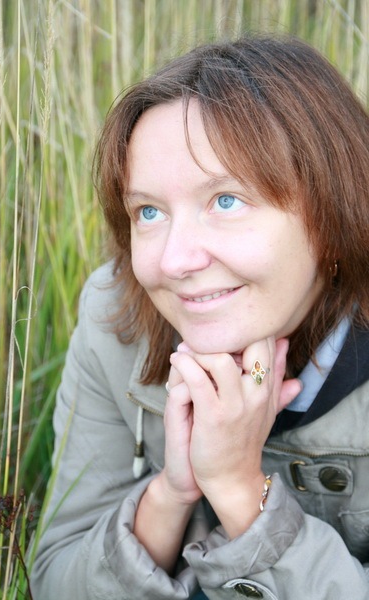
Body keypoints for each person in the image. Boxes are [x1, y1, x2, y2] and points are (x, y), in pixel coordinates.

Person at [31, 35, 369, 599]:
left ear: (333, 211)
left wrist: (238, 490)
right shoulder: (115, 319)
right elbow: (55, 581)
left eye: (226, 201)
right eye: (149, 211)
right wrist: (171, 492)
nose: (174, 261)